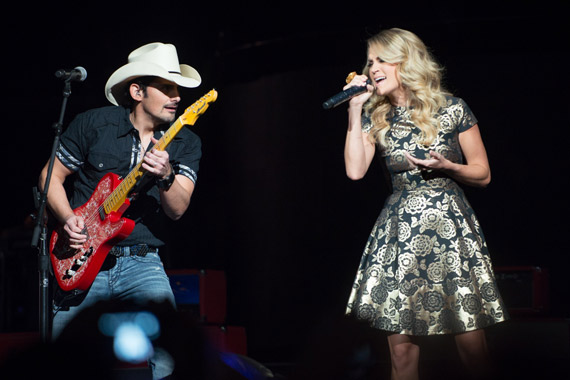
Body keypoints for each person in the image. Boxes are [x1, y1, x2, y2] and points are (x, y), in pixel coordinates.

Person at [343, 28, 507, 379]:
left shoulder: (451, 109)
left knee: (472, 350)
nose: (372, 68)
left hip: (448, 227)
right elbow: (355, 171)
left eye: (381, 60)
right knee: (401, 356)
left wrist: (450, 167)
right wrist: (355, 110)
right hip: (400, 232)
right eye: (370, 62)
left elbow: (483, 173)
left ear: (406, 62)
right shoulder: (377, 117)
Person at [38, 42, 203, 379]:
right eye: (167, 87)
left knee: (172, 356)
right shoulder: (94, 124)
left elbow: (178, 210)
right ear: (137, 91)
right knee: (62, 362)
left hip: (142, 261)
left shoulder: (186, 142)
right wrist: (69, 219)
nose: (176, 96)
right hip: (80, 259)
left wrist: (166, 176)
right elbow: (49, 176)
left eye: (179, 89)